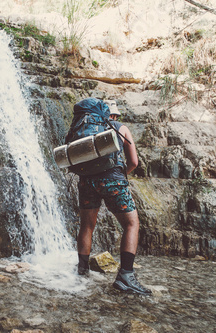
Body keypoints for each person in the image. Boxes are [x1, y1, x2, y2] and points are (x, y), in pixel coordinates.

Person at [76, 99, 152, 296]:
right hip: (112, 180)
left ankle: (82, 271)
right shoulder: (121, 128)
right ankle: (125, 276)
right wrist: (120, 174)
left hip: (86, 181)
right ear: (114, 116)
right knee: (131, 224)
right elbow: (134, 162)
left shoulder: (85, 129)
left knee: (86, 226)